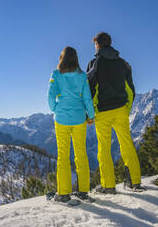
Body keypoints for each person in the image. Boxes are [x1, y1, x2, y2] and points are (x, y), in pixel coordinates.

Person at [86, 32, 145, 194]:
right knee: (127, 144)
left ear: (97, 45)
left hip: (102, 112)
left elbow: (90, 91)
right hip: (121, 110)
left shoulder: (94, 63)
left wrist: (89, 114)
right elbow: (130, 90)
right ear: (109, 43)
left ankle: (108, 186)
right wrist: (127, 109)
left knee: (103, 149)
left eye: (95, 45)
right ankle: (134, 182)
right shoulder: (123, 63)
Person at [48, 46, 95, 202]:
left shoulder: (56, 74)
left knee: (63, 156)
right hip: (79, 118)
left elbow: (50, 96)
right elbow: (87, 98)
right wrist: (91, 115)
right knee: (81, 154)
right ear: (76, 59)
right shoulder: (82, 76)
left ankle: (64, 193)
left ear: (61, 58)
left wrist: (56, 109)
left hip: (61, 119)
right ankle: (83, 191)